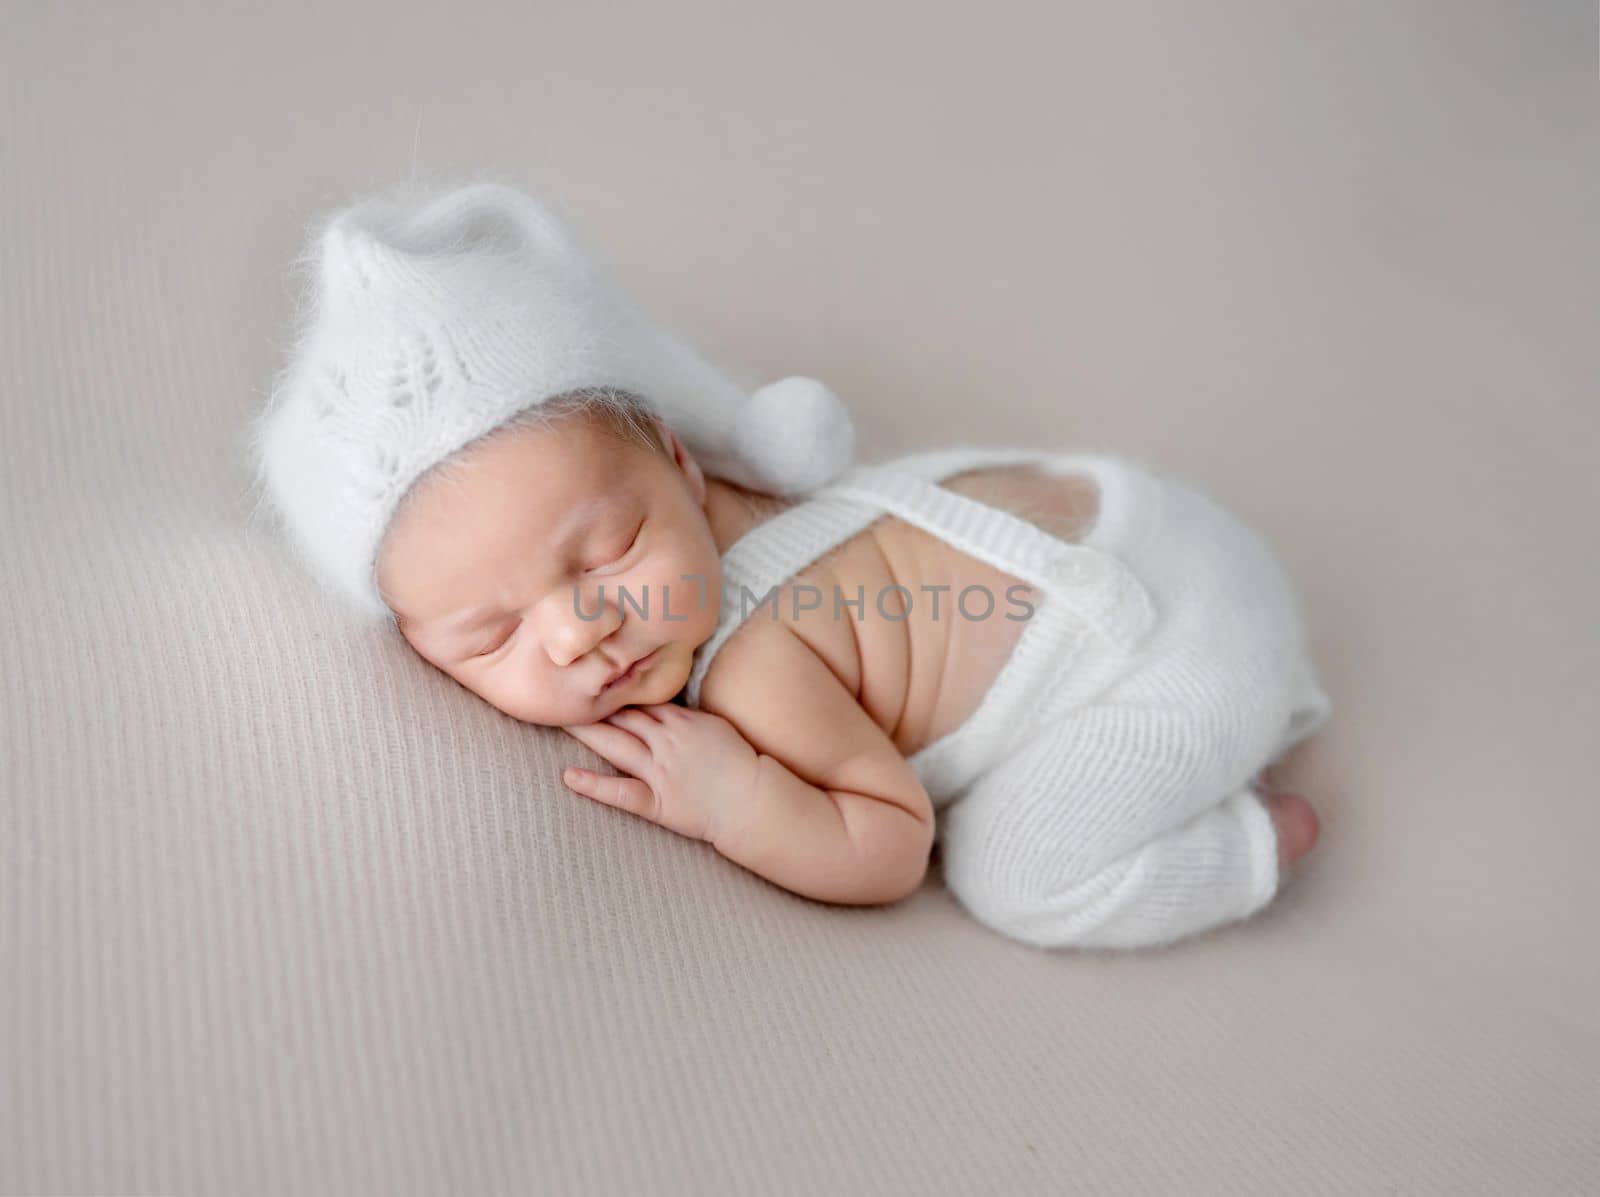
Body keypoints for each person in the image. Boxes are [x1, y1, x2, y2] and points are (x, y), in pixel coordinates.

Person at [249, 177, 1331, 951]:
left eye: (607, 552)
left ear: (680, 456)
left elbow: (892, 844)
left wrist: (737, 799)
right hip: (1127, 512)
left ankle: (1250, 841)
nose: (578, 632)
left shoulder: (754, 665)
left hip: (1164, 642)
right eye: (491, 635)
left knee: (1016, 878)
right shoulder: (735, 484)